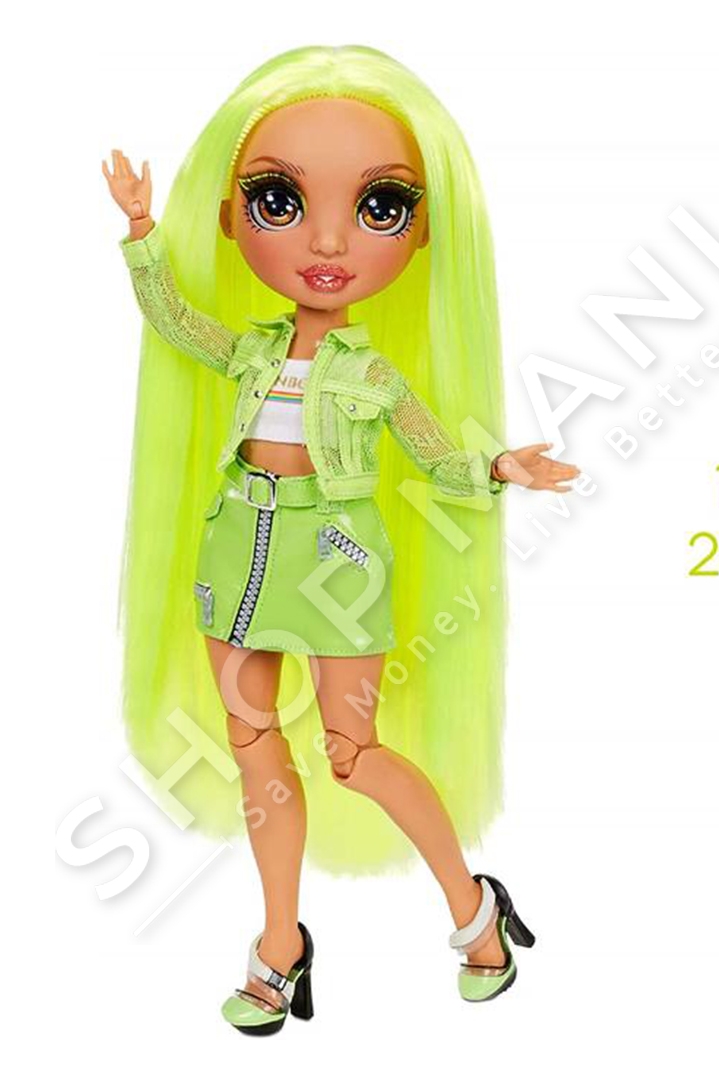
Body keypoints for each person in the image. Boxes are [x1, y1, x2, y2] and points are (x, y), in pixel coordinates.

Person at [103, 44, 580, 1034]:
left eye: (380, 207)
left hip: (338, 563)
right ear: (231, 218)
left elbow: (435, 456)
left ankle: (473, 908)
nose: (327, 240)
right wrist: (142, 233)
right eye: (278, 201)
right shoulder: (249, 352)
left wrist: (500, 467)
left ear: (422, 232)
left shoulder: (373, 376)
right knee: (254, 749)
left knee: (352, 753)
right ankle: (280, 945)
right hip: (238, 548)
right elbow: (173, 321)